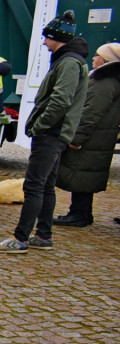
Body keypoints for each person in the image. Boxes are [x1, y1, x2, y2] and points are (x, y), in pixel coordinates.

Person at [0, 10, 88, 254]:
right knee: (45, 186)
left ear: (58, 37)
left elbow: (61, 100)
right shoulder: (70, 61)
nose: (44, 42)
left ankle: (20, 239)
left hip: (51, 134)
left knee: (34, 186)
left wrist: (40, 125)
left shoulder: (69, 63)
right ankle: (43, 235)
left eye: (47, 38)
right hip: (55, 134)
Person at [53, 42, 120, 227]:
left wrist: (76, 137)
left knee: (80, 173)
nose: (93, 58)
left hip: (91, 137)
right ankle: (82, 213)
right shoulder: (111, 79)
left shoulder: (104, 81)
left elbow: (91, 111)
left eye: (98, 55)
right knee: (83, 173)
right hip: (99, 136)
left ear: (106, 60)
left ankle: (79, 214)